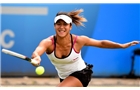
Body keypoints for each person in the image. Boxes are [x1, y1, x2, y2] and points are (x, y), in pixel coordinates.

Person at [31, 9, 139, 87]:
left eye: (65, 24)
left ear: (70, 27)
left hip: (81, 73)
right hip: (64, 77)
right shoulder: (48, 42)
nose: (61, 27)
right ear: (54, 26)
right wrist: (36, 58)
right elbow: (37, 52)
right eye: (58, 24)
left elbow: (101, 43)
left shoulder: (79, 40)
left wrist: (122, 46)